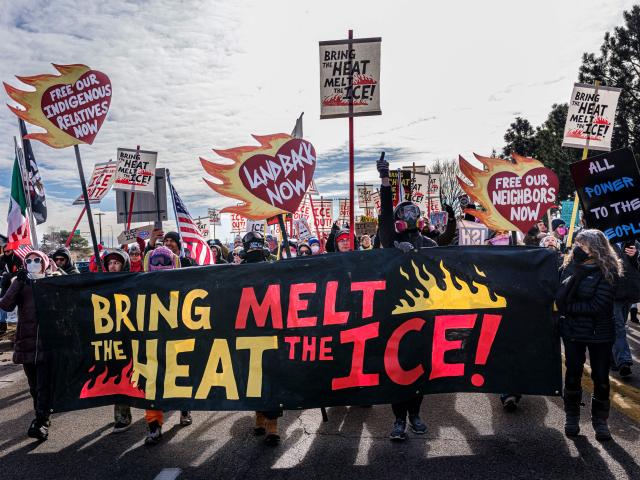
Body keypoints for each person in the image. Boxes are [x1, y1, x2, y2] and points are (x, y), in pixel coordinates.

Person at [377, 153, 431, 441]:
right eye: (404, 214)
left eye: (413, 214)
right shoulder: (388, 242)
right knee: (396, 369)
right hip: (394, 315)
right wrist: (385, 181)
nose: (409, 218)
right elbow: (385, 215)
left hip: (423, 315)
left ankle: (415, 415)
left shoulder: (430, 243)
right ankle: (398, 419)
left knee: (421, 368)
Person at [556, 229, 621, 441]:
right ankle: (572, 417)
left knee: (601, 378)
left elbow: (599, 305)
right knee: (573, 374)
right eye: (576, 243)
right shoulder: (569, 266)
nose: (577, 248)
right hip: (573, 332)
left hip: (600, 333)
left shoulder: (608, 269)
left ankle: (600, 421)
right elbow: (558, 294)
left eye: (582, 244)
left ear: (595, 248)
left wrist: (570, 307)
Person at [0, 250, 61, 441]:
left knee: (44, 385)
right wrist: (17, 282)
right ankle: (42, 416)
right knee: (34, 387)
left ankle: (40, 422)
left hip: (48, 343)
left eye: (37, 260)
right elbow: (6, 305)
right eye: (29, 260)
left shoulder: (54, 282)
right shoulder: (22, 283)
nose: (33, 263)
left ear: (44, 262)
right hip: (27, 342)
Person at [142, 246, 192, 445]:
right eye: (157, 261)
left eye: (165, 260)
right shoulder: (141, 285)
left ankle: (185, 409)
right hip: (152, 345)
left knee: (182, 380)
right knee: (152, 385)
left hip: (179, 343)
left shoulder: (184, 284)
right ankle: (154, 425)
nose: (161, 265)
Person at [240, 231, 282, 445]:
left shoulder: (274, 267)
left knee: (270, 378)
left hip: (270, 331)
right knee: (252, 379)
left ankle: (272, 425)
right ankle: (259, 417)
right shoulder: (238, 271)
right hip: (248, 332)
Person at [610, 240, 640, 378]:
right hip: (612, 291)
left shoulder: (634, 242)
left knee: (621, 325)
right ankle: (624, 361)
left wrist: (636, 255)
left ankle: (613, 358)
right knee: (618, 326)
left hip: (629, 290)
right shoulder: (604, 241)